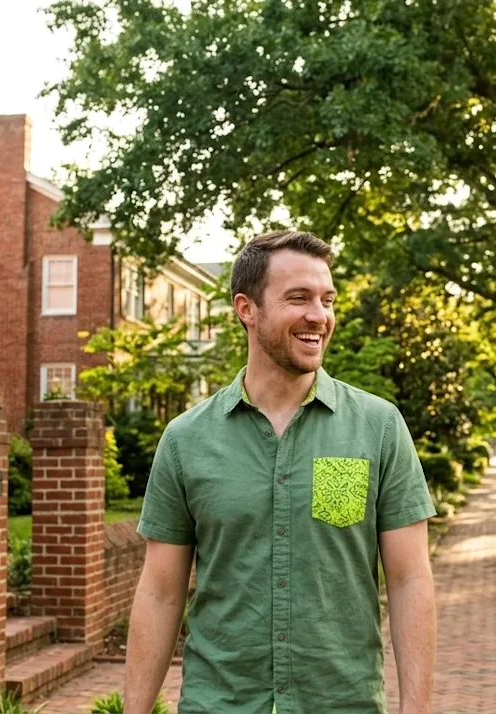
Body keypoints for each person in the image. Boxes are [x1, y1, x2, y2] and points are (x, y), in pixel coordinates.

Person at [124, 230, 437, 714]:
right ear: (246, 309)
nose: (320, 315)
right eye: (298, 298)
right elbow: (161, 593)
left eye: (327, 299)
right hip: (220, 703)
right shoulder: (186, 440)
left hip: (341, 704)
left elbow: (410, 579)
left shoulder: (378, 428)